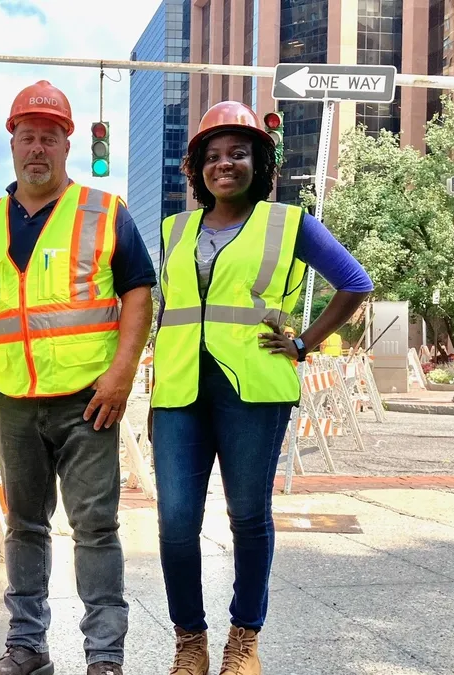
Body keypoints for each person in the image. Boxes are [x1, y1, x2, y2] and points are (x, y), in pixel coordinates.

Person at [151, 101, 373, 675]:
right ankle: (189, 642)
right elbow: (169, 311)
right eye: (214, 154)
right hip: (178, 391)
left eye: (239, 153)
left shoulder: (289, 223)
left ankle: (244, 639)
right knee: (176, 521)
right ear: (198, 165)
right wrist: (153, 395)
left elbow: (354, 283)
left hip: (252, 389)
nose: (225, 164)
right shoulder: (176, 229)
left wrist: (304, 344)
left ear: (259, 162)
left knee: (248, 516)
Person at [0, 81, 156, 675]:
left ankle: (104, 656)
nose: (37, 148)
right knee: (24, 526)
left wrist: (122, 374)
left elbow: (138, 293)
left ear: (68, 143)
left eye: (50, 136)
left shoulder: (104, 212)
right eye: (28, 136)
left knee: (95, 527)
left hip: (87, 400)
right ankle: (27, 645)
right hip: (16, 403)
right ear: (13, 143)